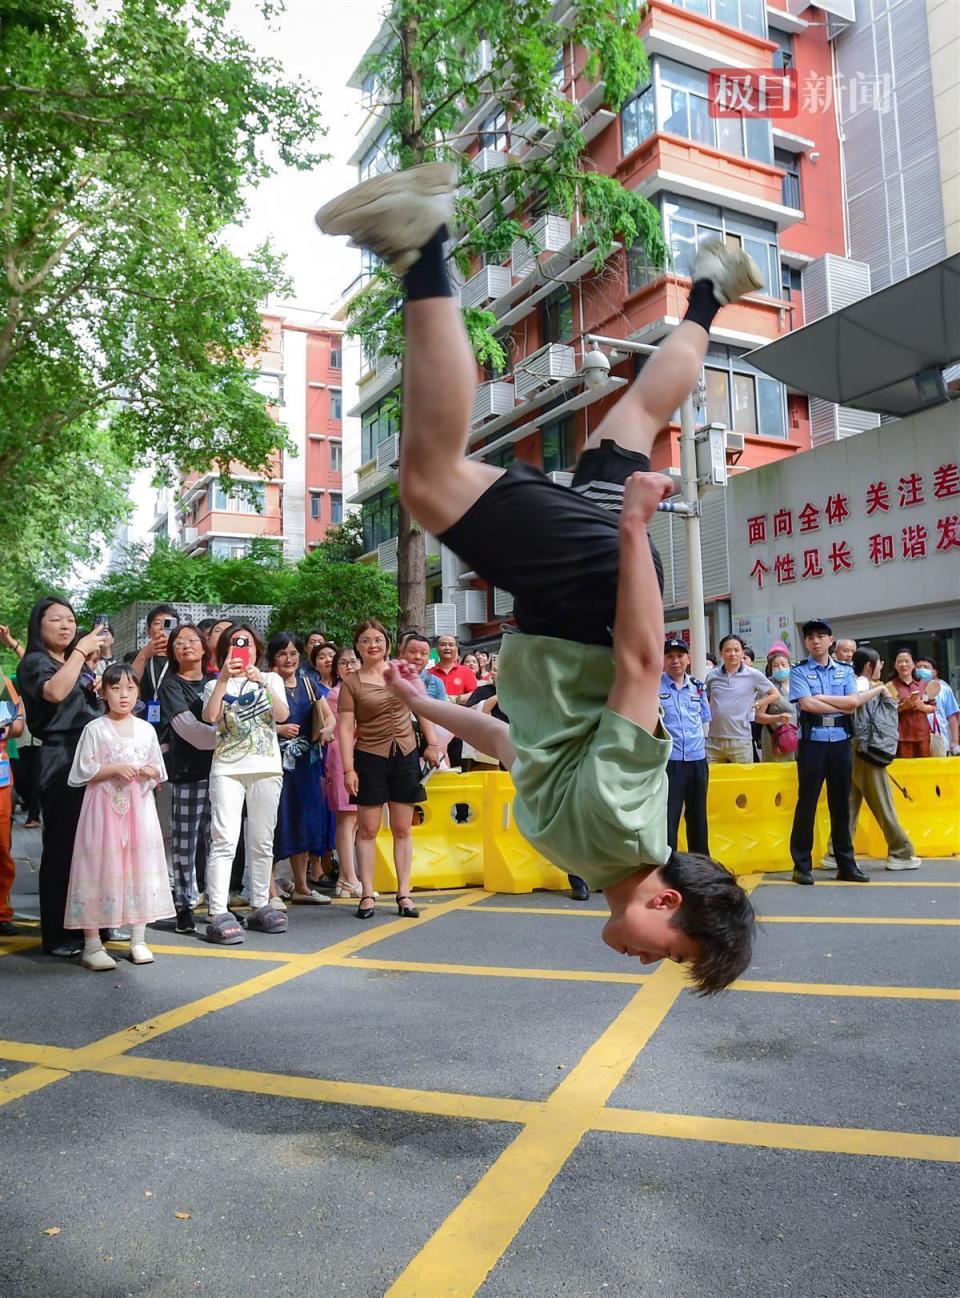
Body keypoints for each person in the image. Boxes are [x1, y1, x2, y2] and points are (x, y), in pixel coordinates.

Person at [316, 161, 758, 990]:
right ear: (666, 904)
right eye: (667, 955)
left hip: (585, 593)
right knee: (429, 482)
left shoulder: (588, 848)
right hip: (592, 591)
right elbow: (639, 666)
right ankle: (424, 243)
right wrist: (631, 531)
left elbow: (508, 742)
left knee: (632, 417)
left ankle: (709, 292)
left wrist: (422, 705)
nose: (643, 962)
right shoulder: (625, 828)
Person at [64, 664, 173, 970]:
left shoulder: (146, 729)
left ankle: (138, 939)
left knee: (139, 866)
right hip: (102, 809)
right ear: (103, 692)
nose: (123, 695)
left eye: (130, 688)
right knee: (98, 867)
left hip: (139, 809)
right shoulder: (94, 729)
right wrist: (113, 769)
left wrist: (147, 771)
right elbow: (81, 771)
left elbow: (158, 769)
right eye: (115, 688)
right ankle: (92, 944)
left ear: (138, 692)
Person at [18, 598, 107, 955]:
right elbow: (54, 692)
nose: (66, 626)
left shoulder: (73, 663)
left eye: (70, 619)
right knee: (63, 848)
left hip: (92, 753)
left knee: (95, 847)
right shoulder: (35, 662)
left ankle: (93, 925)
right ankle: (57, 934)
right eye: (55, 619)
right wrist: (80, 654)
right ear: (39, 626)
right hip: (60, 756)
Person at [201, 623, 290, 943]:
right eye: (236, 645)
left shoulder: (272, 679)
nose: (243, 650)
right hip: (226, 769)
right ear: (225, 652)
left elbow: (282, 714)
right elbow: (210, 717)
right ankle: (217, 909)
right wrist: (224, 677)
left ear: (257, 649)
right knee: (224, 839)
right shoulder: (215, 684)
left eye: (248, 644)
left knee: (262, 840)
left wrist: (259, 682)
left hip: (266, 767)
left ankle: (261, 905)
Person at [338, 619, 430, 920]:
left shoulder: (400, 671)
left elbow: (421, 706)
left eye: (377, 639)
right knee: (367, 829)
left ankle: (404, 893)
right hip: (370, 757)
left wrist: (433, 743)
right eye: (365, 640)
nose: (372, 645)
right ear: (358, 646)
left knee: (403, 828)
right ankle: (366, 894)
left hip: (405, 754)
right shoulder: (351, 683)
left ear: (387, 643)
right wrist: (348, 770)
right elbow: (345, 729)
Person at [788, 618, 889, 885]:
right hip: (813, 743)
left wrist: (822, 698)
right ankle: (801, 866)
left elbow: (853, 703)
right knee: (806, 804)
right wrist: (828, 702)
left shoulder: (845, 671)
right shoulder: (798, 671)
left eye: (821, 636)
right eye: (810, 637)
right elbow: (807, 705)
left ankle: (846, 864)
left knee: (841, 805)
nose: (816, 641)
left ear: (830, 640)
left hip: (841, 742)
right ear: (806, 642)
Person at [823, 648, 920, 872]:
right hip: (867, 752)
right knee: (884, 804)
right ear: (869, 666)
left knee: (849, 805)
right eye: (878, 664)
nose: (881, 667)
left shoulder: (851, 684)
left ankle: (835, 852)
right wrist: (882, 693)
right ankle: (901, 852)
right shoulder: (864, 686)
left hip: (850, 750)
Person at [267, 632, 335, 905]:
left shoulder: (309, 685)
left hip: (307, 765)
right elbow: (252, 723)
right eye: (282, 653)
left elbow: (328, 717)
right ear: (272, 657)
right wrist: (279, 729)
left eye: (293, 653)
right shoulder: (264, 684)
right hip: (275, 763)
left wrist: (327, 730)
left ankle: (302, 887)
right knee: (275, 824)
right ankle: (269, 891)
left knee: (305, 821)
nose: (289, 659)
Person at [157, 624, 217, 933]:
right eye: (178, 643)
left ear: (205, 647)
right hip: (188, 773)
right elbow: (189, 730)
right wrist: (228, 738)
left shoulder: (218, 681)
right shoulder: (171, 686)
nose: (186, 646)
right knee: (185, 842)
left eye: (192, 640)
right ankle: (184, 905)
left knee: (218, 841)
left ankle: (217, 905)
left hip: (221, 774)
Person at [660, 638, 711, 856]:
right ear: (663, 660)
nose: (675, 661)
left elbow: (704, 718)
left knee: (698, 815)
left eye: (680, 656)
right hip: (669, 762)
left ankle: (701, 866)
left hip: (697, 759)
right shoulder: (654, 686)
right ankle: (668, 865)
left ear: (688, 659)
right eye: (670, 656)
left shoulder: (698, 688)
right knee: (669, 817)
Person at [322, 646, 364, 898]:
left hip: (359, 756)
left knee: (356, 820)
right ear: (336, 669)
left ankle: (347, 879)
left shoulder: (357, 690)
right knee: (346, 820)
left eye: (354, 662)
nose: (350, 666)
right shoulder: (338, 694)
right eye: (344, 663)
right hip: (342, 758)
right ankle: (348, 877)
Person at [705, 635, 779, 764]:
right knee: (712, 781)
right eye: (728, 650)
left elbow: (774, 694)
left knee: (743, 781)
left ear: (742, 653)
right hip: (714, 740)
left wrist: (757, 703)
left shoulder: (753, 674)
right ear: (721, 653)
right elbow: (705, 698)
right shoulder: (712, 676)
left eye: (736, 650)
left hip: (741, 740)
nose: (732, 654)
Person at [0, 670, 24, 934]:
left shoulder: (2, 682)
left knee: (1, 846)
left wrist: (7, 727)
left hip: (1, 778)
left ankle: (1, 913)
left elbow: (18, 726)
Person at [888, 649, 934, 759]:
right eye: (899, 662)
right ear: (895, 665)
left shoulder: (922, 684)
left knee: (924, 769)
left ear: (913, 664)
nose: (903, 664)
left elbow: (933, 708)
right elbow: (886, 713)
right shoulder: (890, 686)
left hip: (923, 735)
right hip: (902, 737)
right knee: (905, 770)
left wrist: (921, 706)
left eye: (907, 661)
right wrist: (903, 707)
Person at [756, 652, 798, 763]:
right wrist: (778, 718)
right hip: (775, 739)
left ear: (790, 665)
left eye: (783, 664)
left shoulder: (797, 684)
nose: (780, 668)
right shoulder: (767, 687)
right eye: (776, 666)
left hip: (797, 737)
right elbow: (758, 717)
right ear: (771, 669)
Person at [915, 656, 959, 756]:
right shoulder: (912, 689)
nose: (922, 670)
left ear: (934, 672)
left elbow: (952, 717)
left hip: (941, 739)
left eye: (926, 667)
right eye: (918, 667)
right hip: (918, 740)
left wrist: (955, 742)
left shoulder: (945, 689)